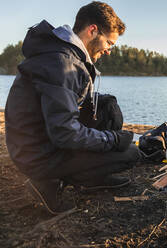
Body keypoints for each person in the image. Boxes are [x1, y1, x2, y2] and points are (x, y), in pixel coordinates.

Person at [5, 1, 140, 215]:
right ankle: (46, 183)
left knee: (108, 106)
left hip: (44, 137)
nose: (109, 50)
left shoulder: (66, 54)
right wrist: (113, 140)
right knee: (130, 153)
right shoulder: (63, 63)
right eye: (109, 43)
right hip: (36, 153)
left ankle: (92, 178)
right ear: (92, 30)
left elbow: (65, 105)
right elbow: (65, 133)